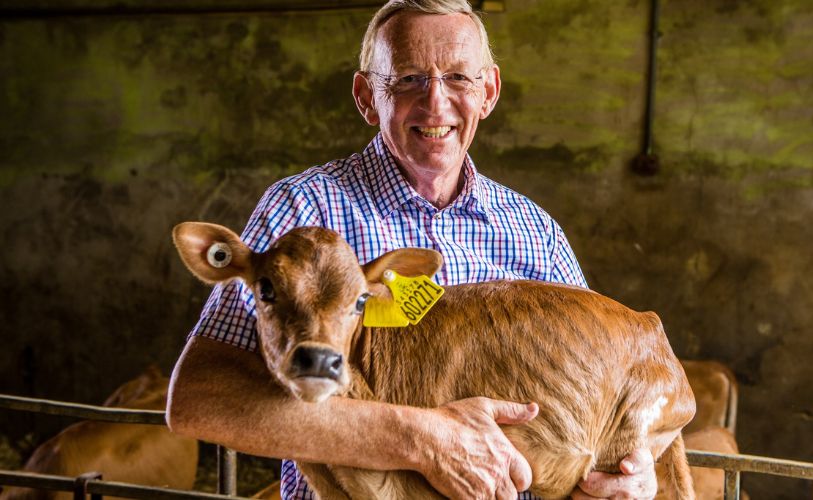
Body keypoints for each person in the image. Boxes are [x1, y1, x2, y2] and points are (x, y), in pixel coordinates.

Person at [166, 1, 658, 499]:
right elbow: (200, 399)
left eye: (459, 79)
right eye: (407, 80)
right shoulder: (303, 209)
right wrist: (425, 439)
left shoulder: (536, 232)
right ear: (365, 97)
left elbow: (603, 393)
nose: (435, 104)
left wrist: (632, 472)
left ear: (488, 92)